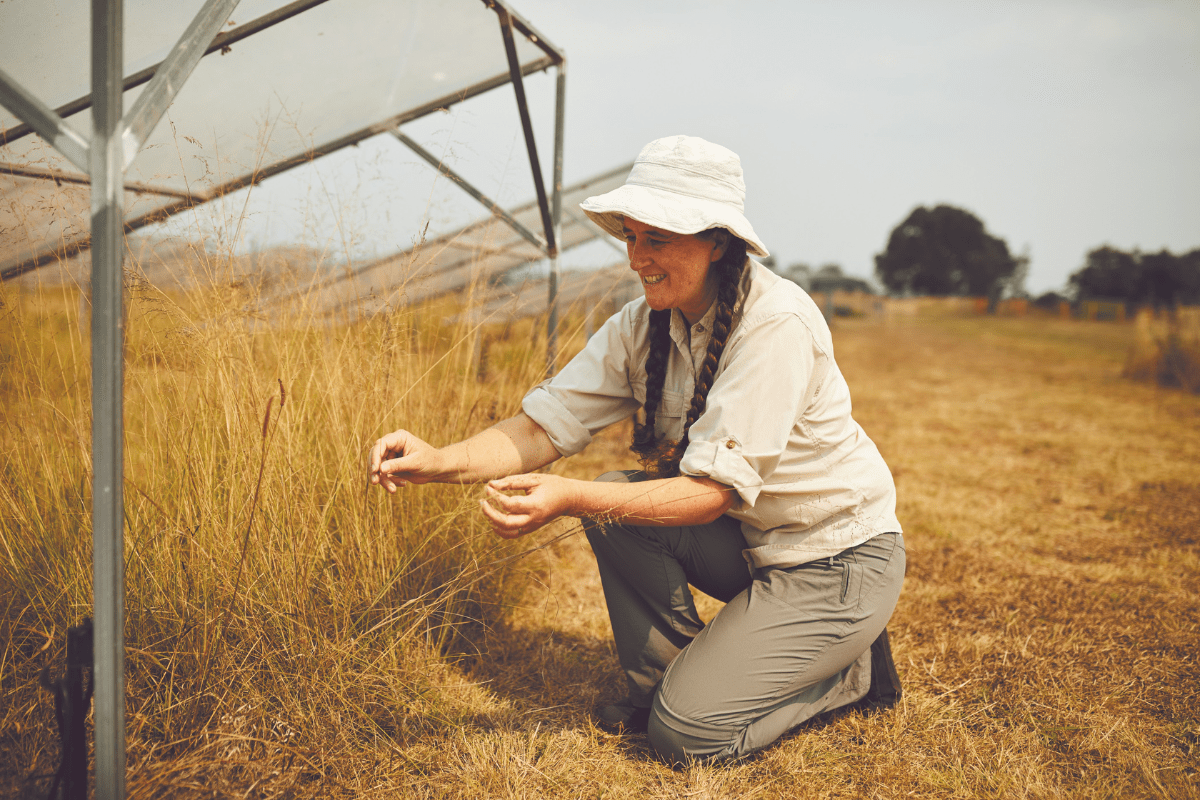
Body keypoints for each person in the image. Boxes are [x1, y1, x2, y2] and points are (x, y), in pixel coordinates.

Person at [368, 135, 905, 765]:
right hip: (755, 543)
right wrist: (439, 460)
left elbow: (710, 494)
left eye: (658, 240)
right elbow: (543, 427)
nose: (636, 259)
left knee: (692, 739)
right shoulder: (641, 323)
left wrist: (567, 496)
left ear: (716, 242)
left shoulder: (775, 323)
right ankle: (667, 689)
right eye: (631, 236)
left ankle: (848, 675)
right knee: (618, 503)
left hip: (834, 562)